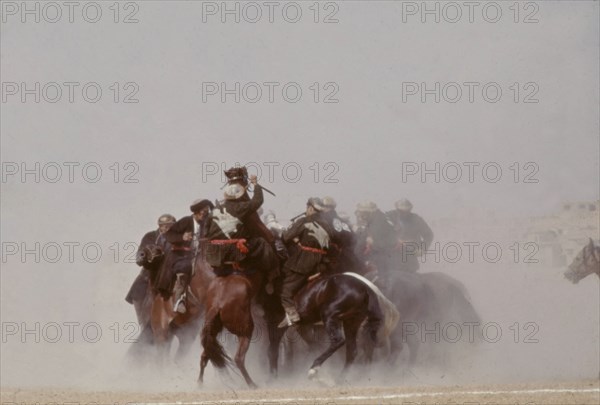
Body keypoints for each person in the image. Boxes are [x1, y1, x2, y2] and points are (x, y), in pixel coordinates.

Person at [205, 173, 278, 292]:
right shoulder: (242, 207)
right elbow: (258, 200)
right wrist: (255, 184)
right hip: (234, 251)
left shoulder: (214, 210)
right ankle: (271, 277)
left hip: (213, 252)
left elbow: (206, 230)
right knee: (262, 243)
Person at [278, 197, 334, 328]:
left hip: (304, 261)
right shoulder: (328, 225)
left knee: (285, 291)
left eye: (307, 208)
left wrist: (295, 238)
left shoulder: (303, 221)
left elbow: (285, 237)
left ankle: (292, 316)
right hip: (322, 264)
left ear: (310, 208)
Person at [164, 199, 214, 313]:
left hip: (201, 255)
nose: (204, 215)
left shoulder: (206, 223)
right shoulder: (186, 221)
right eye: (202, 213)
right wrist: (182, 237)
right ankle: (178, 299)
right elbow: (169, 234)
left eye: (206, 213)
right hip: (182, 255)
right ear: (196, 212)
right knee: (185, 266)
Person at [125, 214, 175, 324]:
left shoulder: (177, 238)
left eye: (171, 226)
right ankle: (144, 325)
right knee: (138, 294)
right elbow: (140, 256)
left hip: (169, 274)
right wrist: (145, 256)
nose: (168, 229)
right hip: (149, 274)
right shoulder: (150, 236)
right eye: (165, 226)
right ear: (160, 226)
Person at [386, 198, 434, 272]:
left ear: (410, 209)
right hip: (389, 253)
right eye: (401, 211)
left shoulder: (416, 219)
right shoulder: (389, 217)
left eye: (406, 211)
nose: (404, 213)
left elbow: (428, 235)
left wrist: (422, 249)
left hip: (409, 254)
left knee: (410, 275)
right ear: (397, 209)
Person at [321, 196, 365, 274]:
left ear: (325, 207)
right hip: (351, 259)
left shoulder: (323, 220)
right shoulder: (342, 221)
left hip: (335, 261)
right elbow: (353, 239)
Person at [354, 201, 397, 278]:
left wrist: (373, 242)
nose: (361, 216)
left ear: (370, 213)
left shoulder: (380, 223)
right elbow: (360, 245)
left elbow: (391, 242)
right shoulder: (372, 222)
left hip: (383, 263)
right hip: (375, 261)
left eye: (363, 213)